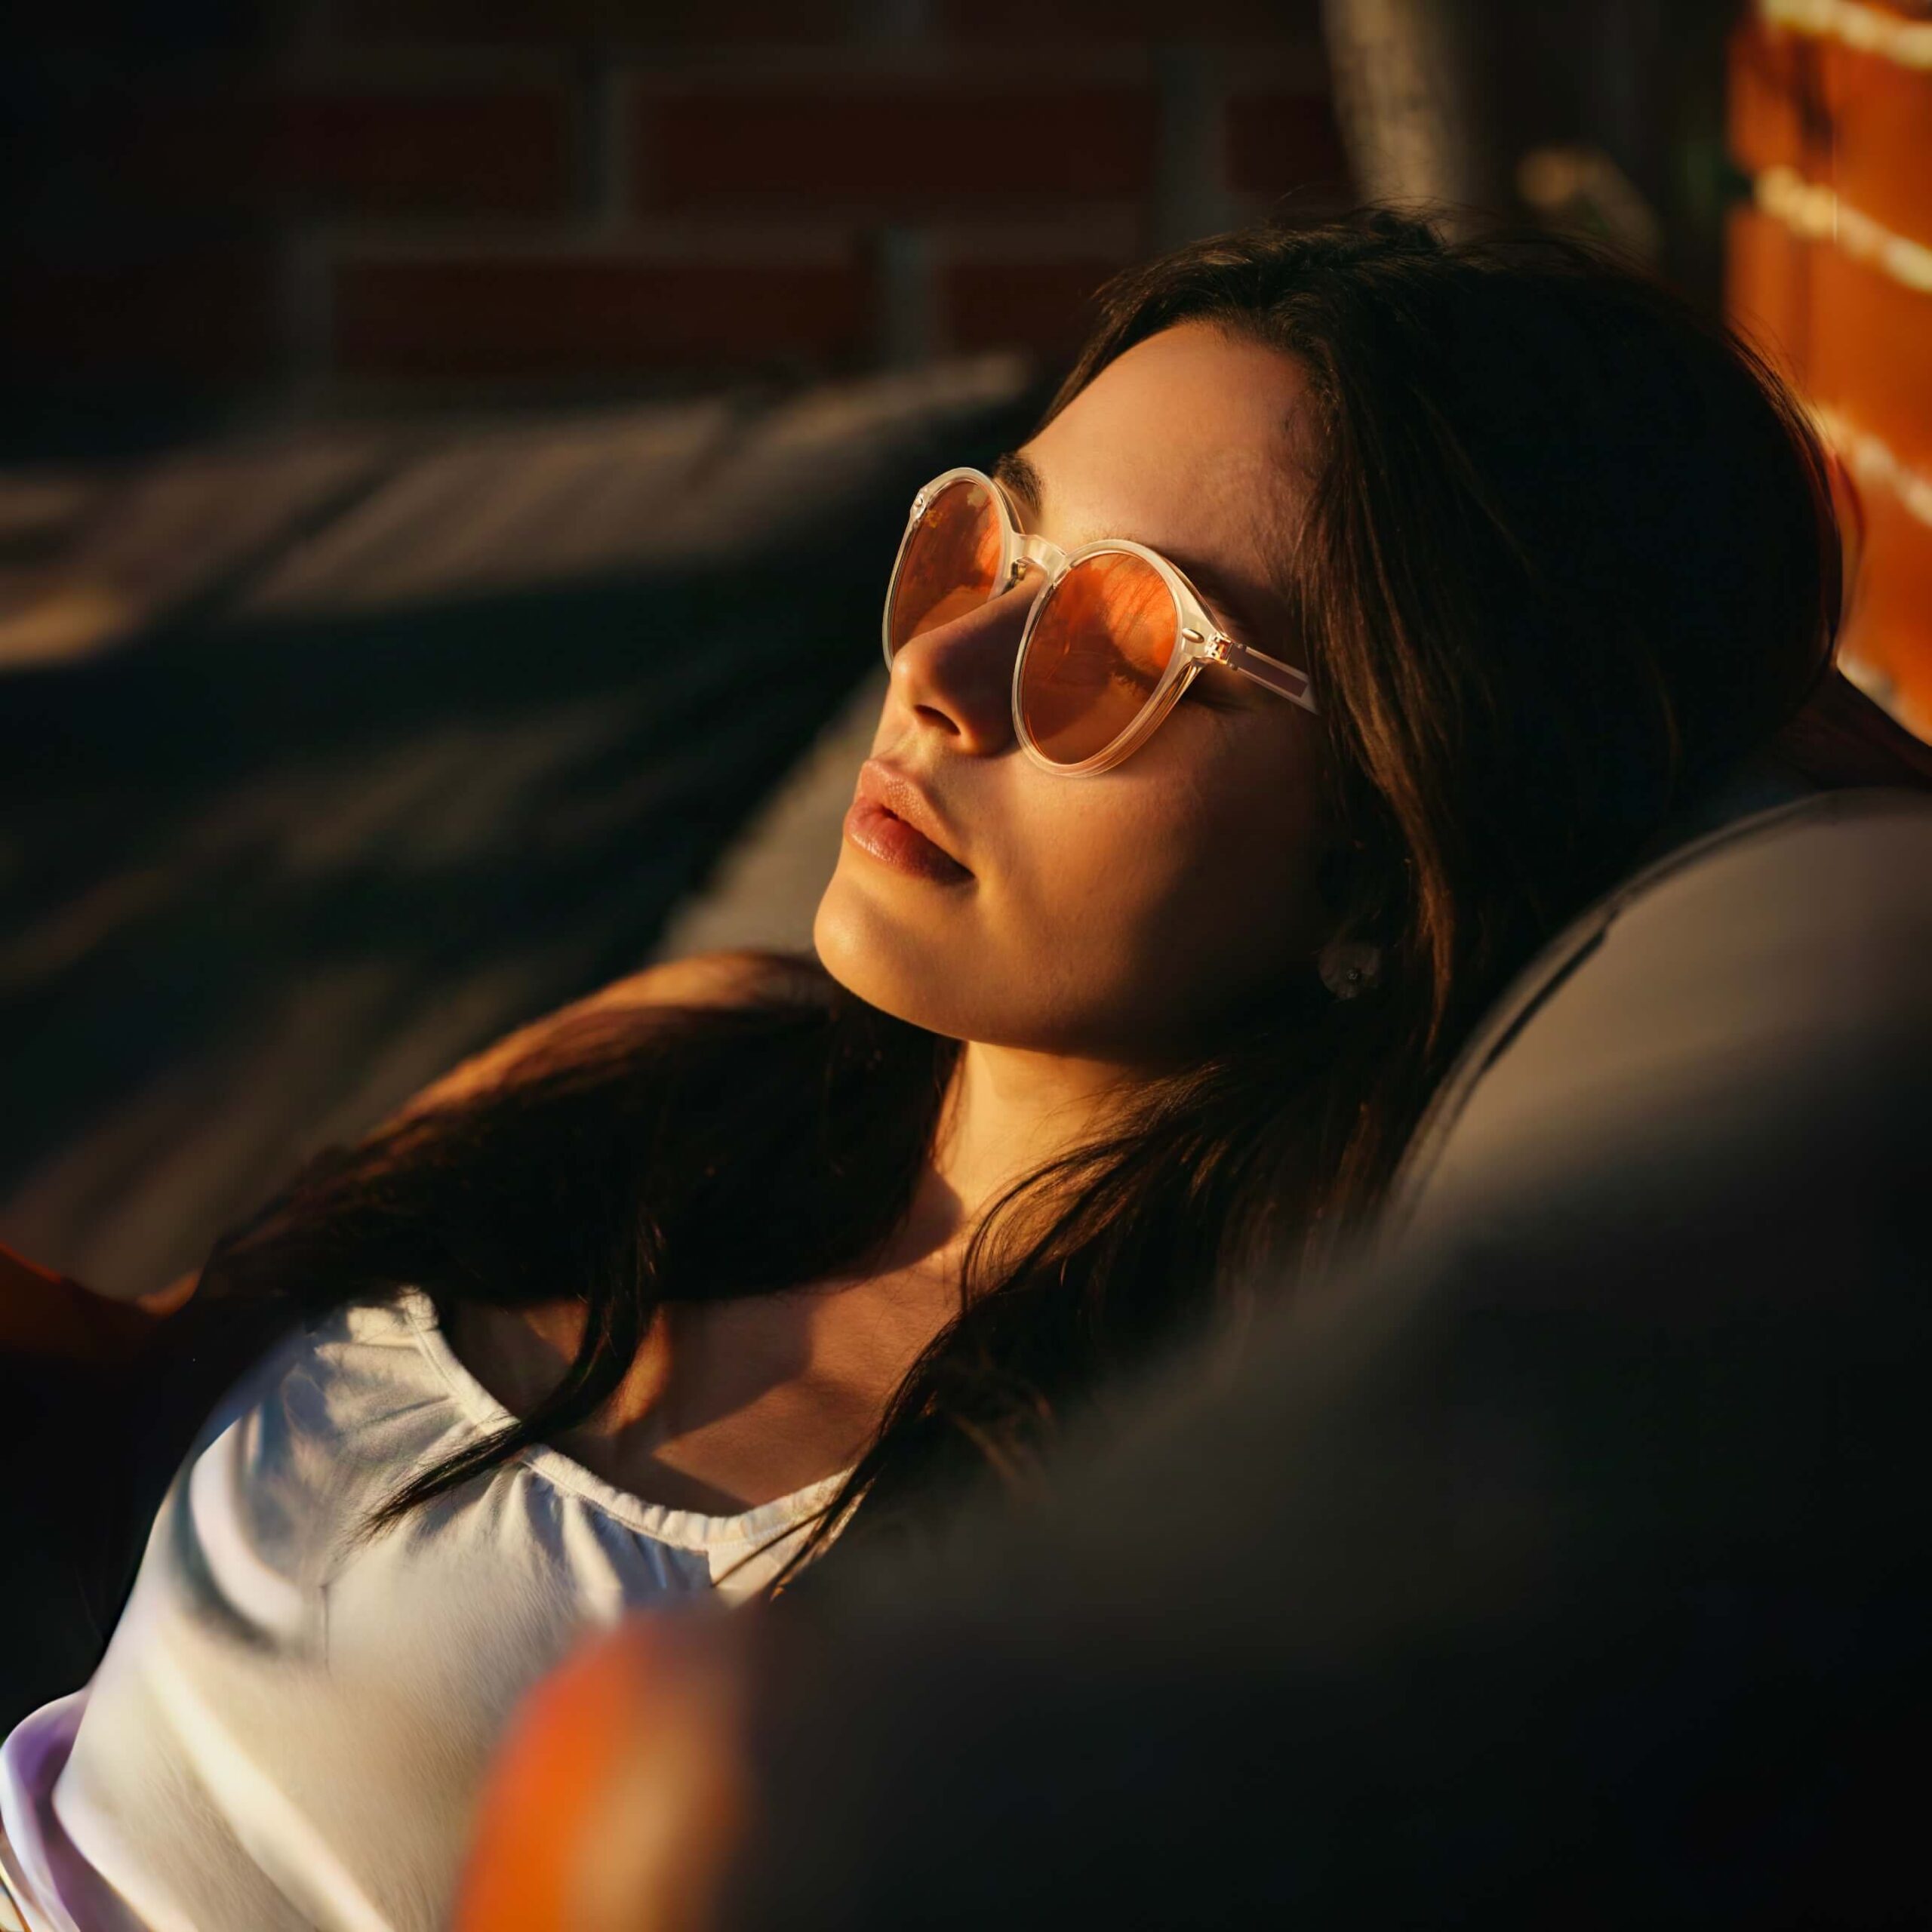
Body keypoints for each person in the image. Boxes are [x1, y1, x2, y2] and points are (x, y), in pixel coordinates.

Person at [0, 206, 1860, 1931]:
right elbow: (139, 1392)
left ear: (1385, 839)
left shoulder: (1154, 1498)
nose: (941, 670)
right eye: (989, 542)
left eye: (1119, 638)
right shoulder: (693, 1057)